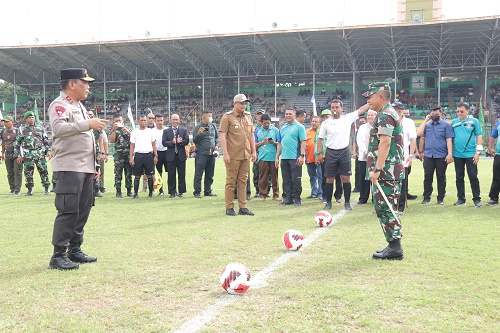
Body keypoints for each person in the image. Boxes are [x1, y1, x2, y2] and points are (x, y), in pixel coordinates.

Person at [48, 67, 108, 270]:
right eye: (85, 83)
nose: (88, 87)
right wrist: (87, 124)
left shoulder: (79, 106)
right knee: (68, 211)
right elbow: (59, 130)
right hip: (70, 167)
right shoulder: (59, 105)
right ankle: (58, 255)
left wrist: (95, 165)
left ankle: (74, 249)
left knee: (83, 210)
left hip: (85, 168)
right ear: (72, 84)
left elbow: (86, 139)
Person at [364, 82, 405, 260]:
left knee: (386, 207)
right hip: (389, 171)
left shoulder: (385, 116)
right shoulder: (387, 113)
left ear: (381, 97)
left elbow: (385, 142)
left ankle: (395, 248)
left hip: (386, 171)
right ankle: (393, 245)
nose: (368, 100)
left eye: (370, 96)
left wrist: (378, 169)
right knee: (386, 206)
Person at [316, 99, 370, 210]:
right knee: (329, 179)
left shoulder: (347, 118)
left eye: (337, 107)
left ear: (342, 109)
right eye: (333, 107)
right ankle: (328, 203)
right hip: (330, 152)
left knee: (346, 178)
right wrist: (319, 153)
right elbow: (320, 138)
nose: (335, 109)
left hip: (344, 152)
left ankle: (347, 203)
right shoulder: (326, 123)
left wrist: (370, 103)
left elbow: (360, 110)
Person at [219, 94, 257, 216]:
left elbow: (251, 135)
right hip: (233, 154)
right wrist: (225, 153)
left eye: (245, 103)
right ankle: (229, 207)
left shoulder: (248, 117)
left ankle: (243, 206)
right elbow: (223, 136)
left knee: (243, 181)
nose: (243, 105)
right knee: (231, 181)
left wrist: (254, 151)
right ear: (234, 103)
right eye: (241, 103)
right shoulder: (227, 117)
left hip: (245, 154)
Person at [416, 105, 454, 205]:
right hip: (428, 155)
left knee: (441, 177)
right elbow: (420, 136)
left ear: (441, 114)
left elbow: (449, 140)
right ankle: (426, 197)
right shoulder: (427, 125)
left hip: (441, 155)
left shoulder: (446, 125)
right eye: (432, 114)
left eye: (437, 114)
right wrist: (420, 151)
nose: (435, 116)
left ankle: (440, 198)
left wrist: (450, 154)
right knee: (428, 176)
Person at [451, 102, 482, 207]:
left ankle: (477, 199)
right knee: (459, 177)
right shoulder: (454, 122)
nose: (459, 113)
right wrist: (450, 153)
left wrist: (478, 153)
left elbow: (479, 136)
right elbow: (450, 139)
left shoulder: (474, 121)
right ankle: (461, 199)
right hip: (457, 155)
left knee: (473, 176)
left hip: (471, 154)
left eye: (461, 111)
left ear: (467, 111)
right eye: (458, 111)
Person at [14, 111, 51, 196]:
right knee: (28, 173)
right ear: (26, 119)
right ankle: (29, 190)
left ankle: (47, 188)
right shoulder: (22, 129)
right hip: (28, 155)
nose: (32, 119)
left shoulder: (41, 128)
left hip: (40, 154)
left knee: (43, 171)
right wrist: (18, 155)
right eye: (30, 117)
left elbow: (45, 141)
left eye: (33, 117)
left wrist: (48, 150)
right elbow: (17, 143)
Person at [276, 108, 306, 206]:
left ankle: (297, 198)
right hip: (284, 158)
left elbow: (303, 142)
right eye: (286, 114)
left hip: (295, 157)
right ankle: (288, 198)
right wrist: (277, 157)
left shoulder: (299, 127)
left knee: (296, 179)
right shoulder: (282, 128)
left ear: (294, 115)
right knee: (286, 179)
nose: (288, 115)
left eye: (290, 114)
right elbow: (279, 143)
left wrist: (302, 155)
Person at [392, 101, 417, 213]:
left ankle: (400, 206)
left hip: (404, 156)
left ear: (401, 111)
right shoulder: (389, 121)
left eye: (397, 110)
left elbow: (412, 140)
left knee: (402, 181)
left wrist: (411, 156)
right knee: (391, 181)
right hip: (390, 157)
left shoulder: (409, 122)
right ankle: (391, 204)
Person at [192, 110, 219, 198]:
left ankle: (207, 191)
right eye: (209, 116)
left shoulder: (213, 126)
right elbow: (195, 141)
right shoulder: (198, 127)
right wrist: (199, 134)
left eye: (211, 116)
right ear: (204, 117)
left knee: (210, 174)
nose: (211, 118)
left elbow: (216, 138)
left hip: (211, 154)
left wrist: (216, 146)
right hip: (201, 154)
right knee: (199, 173)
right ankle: (197, 192)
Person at [129, 115, 157, 198]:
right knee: (137, 175)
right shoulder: (134, 132)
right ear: (138, 121)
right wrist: (131, 157)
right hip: (138, 155)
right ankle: (136, 194)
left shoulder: (150, 132)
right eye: (141, 120)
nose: (143, 122)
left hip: (148, 155)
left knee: (149, 175)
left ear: (147, 121)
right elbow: (132, 145)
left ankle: (150, 193)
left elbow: (154, 144)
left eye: (145, 120)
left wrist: (156, 155)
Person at [162, 114, 189, 198]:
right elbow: (164, 142)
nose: (175, 121)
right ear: (170, 120)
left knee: (181, 174)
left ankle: (181, 191)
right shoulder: (166, 131)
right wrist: (172, 142)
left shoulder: (183, 130)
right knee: (171, 175)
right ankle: (172, 192)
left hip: (181, 156)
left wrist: (181, 142)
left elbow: (187, 141)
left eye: (176, 119)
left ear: (179, 120)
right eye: (173, 119)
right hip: (170, 156)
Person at [255, 113, 280, 200]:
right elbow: (254, 144)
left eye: (268, 123)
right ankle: (262, 194)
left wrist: (273, 143)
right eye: (264, 123)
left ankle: (276, 194)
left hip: (273, 157)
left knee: (274, 177)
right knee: (263, 177)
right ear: (261, 122)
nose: (266, 125)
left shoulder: (276, 130)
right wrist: (262, 143)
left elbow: (280, 143)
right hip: (262, 157)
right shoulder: (258, 131)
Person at [355, 110, 377, 204]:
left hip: (376, 157)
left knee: (374, 176)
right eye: (368, 115)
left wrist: (373, 153)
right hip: (363, 157)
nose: (370, 117)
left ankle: (375, 197)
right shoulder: (362, 127)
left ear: (376, 116)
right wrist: (365, 151)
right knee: (363, 177)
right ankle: (363, 197)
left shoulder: (378, 126)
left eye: (372, 115)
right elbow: (359, 140)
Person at [109, 114, 133, 198]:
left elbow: (134, 138)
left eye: (119, 120)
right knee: (118, 174)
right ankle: (118, 191)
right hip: (119, 156)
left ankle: (129, 191)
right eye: (116, 121)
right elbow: (111, 140)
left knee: (129, 173)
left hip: (128, 155)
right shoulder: (114, 131)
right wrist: (114, 130)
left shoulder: (128, 129)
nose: (118, 122)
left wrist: (127, 131)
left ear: (123, 121)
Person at [1, 116, 23, 195]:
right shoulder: (3, 131)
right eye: (4, 122)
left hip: (17, 154)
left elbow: (21, 143)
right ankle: (12, 189)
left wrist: (20, 155)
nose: (5, 123)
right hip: (7, 153)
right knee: (10, 172)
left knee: (17, 172)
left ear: (12, 122)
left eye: (7, 122)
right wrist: (3, 153)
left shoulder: (17, 131)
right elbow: (3, 143)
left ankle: (17, 189)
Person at [86, 110, 105, 198]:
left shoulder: (97, 127)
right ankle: (87, 190)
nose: (90, 116)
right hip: (85, 151)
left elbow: (101, 141)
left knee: (96, 169)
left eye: (91, 115)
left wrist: (101, 152)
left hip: (95, 150)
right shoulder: (83, 125)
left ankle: (96, 190)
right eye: (88, 115)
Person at [402, 108, 419, 200]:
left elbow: (413, 139)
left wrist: (412, 154)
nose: (406, 114)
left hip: (406, 152)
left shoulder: (409, 122)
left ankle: (404, 192)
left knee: (406, 173)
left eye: (407, 113)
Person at [306, 116, 322, 199]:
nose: (314, 123)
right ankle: (314, 192)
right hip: (309, 157)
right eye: (313, 121)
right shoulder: (307, 132)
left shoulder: (322, 132)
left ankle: (320, 193)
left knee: (320, 175)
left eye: (316, 121)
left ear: (320, 123)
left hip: (319, 157)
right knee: (312, 176)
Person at [252, 109, 265, 198]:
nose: (259, 116)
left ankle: (266, 190)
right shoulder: (253, 128)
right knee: (256, 172)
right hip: (257, 153)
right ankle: (257, 190)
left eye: (261, 115)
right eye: (258, 115)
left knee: (266, 173)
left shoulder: (269, 126)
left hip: (266, 153)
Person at [487, 119, 500, 206]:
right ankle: (494, 198)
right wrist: (490, 148)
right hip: (499, 154)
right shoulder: (499, 124)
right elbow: (493, 136)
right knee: (497, 177)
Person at [352, 115, 367, 193]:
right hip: (359, 154)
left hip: (366, 154)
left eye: (363, 122)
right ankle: (357, 187)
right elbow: (355, 142)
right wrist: (354, 152)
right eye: (360, 122)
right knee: (357, 171)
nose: (361, 123)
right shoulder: (358, 130)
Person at [154, 114, 168, 196]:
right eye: (158, 121)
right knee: (159, 173)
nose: (160, 122)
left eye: (161, 120)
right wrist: (155, 155)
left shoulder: (167, 130)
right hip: (157, 153)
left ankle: (172, 189)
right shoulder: (152, 131)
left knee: (170, 172)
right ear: (155, 121)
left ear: (164, 121)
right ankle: (161, 191)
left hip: (167, 152)